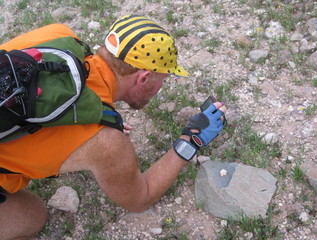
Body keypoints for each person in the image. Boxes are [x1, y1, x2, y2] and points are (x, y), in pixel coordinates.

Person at [0, 15, 226, 239]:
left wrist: (103, 116)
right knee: (33, 215)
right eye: (163, 80)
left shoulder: (58, 33)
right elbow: (140, 197)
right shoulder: (107, 142)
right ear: (144, 78)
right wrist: (190, 140)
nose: (161, 87)